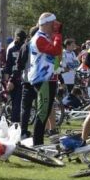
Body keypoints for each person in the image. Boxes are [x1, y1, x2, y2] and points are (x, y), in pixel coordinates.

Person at [28, 13, 63, 145]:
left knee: (47, 109)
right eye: (53, 23)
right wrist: (58, 35)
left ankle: (39, 142)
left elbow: (57, 55)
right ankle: (37, 143)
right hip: (42, 79)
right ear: (46, 23)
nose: (56, 25)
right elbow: (54, 50)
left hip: (49, 78)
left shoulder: (47, 37)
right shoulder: (39, 38)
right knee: (43, 112)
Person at [3, 29, 27, 123]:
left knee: (15, 103)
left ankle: (14, 123)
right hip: (21, 78)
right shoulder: (25, 48)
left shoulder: (11, 49)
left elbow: (7, 66)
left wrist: (7, 80)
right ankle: (16, 124)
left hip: (12, 79)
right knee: (20, 104)